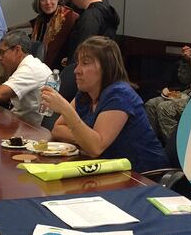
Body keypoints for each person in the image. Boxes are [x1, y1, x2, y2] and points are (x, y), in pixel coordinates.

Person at [39, 36, 167, 173]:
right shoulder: (85, 93)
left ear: (106, 68)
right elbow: (58, 129)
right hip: (109, 170)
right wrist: (84, 139)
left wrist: (65, 109)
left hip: (143, 176)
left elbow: (95, 148)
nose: (76, 70)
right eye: (78, 63)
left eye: (85, 63)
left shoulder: (120, 95)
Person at [7, 0, 79, 70]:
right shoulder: (40, 20)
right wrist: (13, 28)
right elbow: (32, 23)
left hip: (62, 68)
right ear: (39, 2)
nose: (48, 2)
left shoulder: (70, 17)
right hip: (40, 68)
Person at [65, 0, 120, 64]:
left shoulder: (90, 16)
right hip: (104, 64)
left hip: (91, 68)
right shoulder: (107, 8)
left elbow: (83, 50)